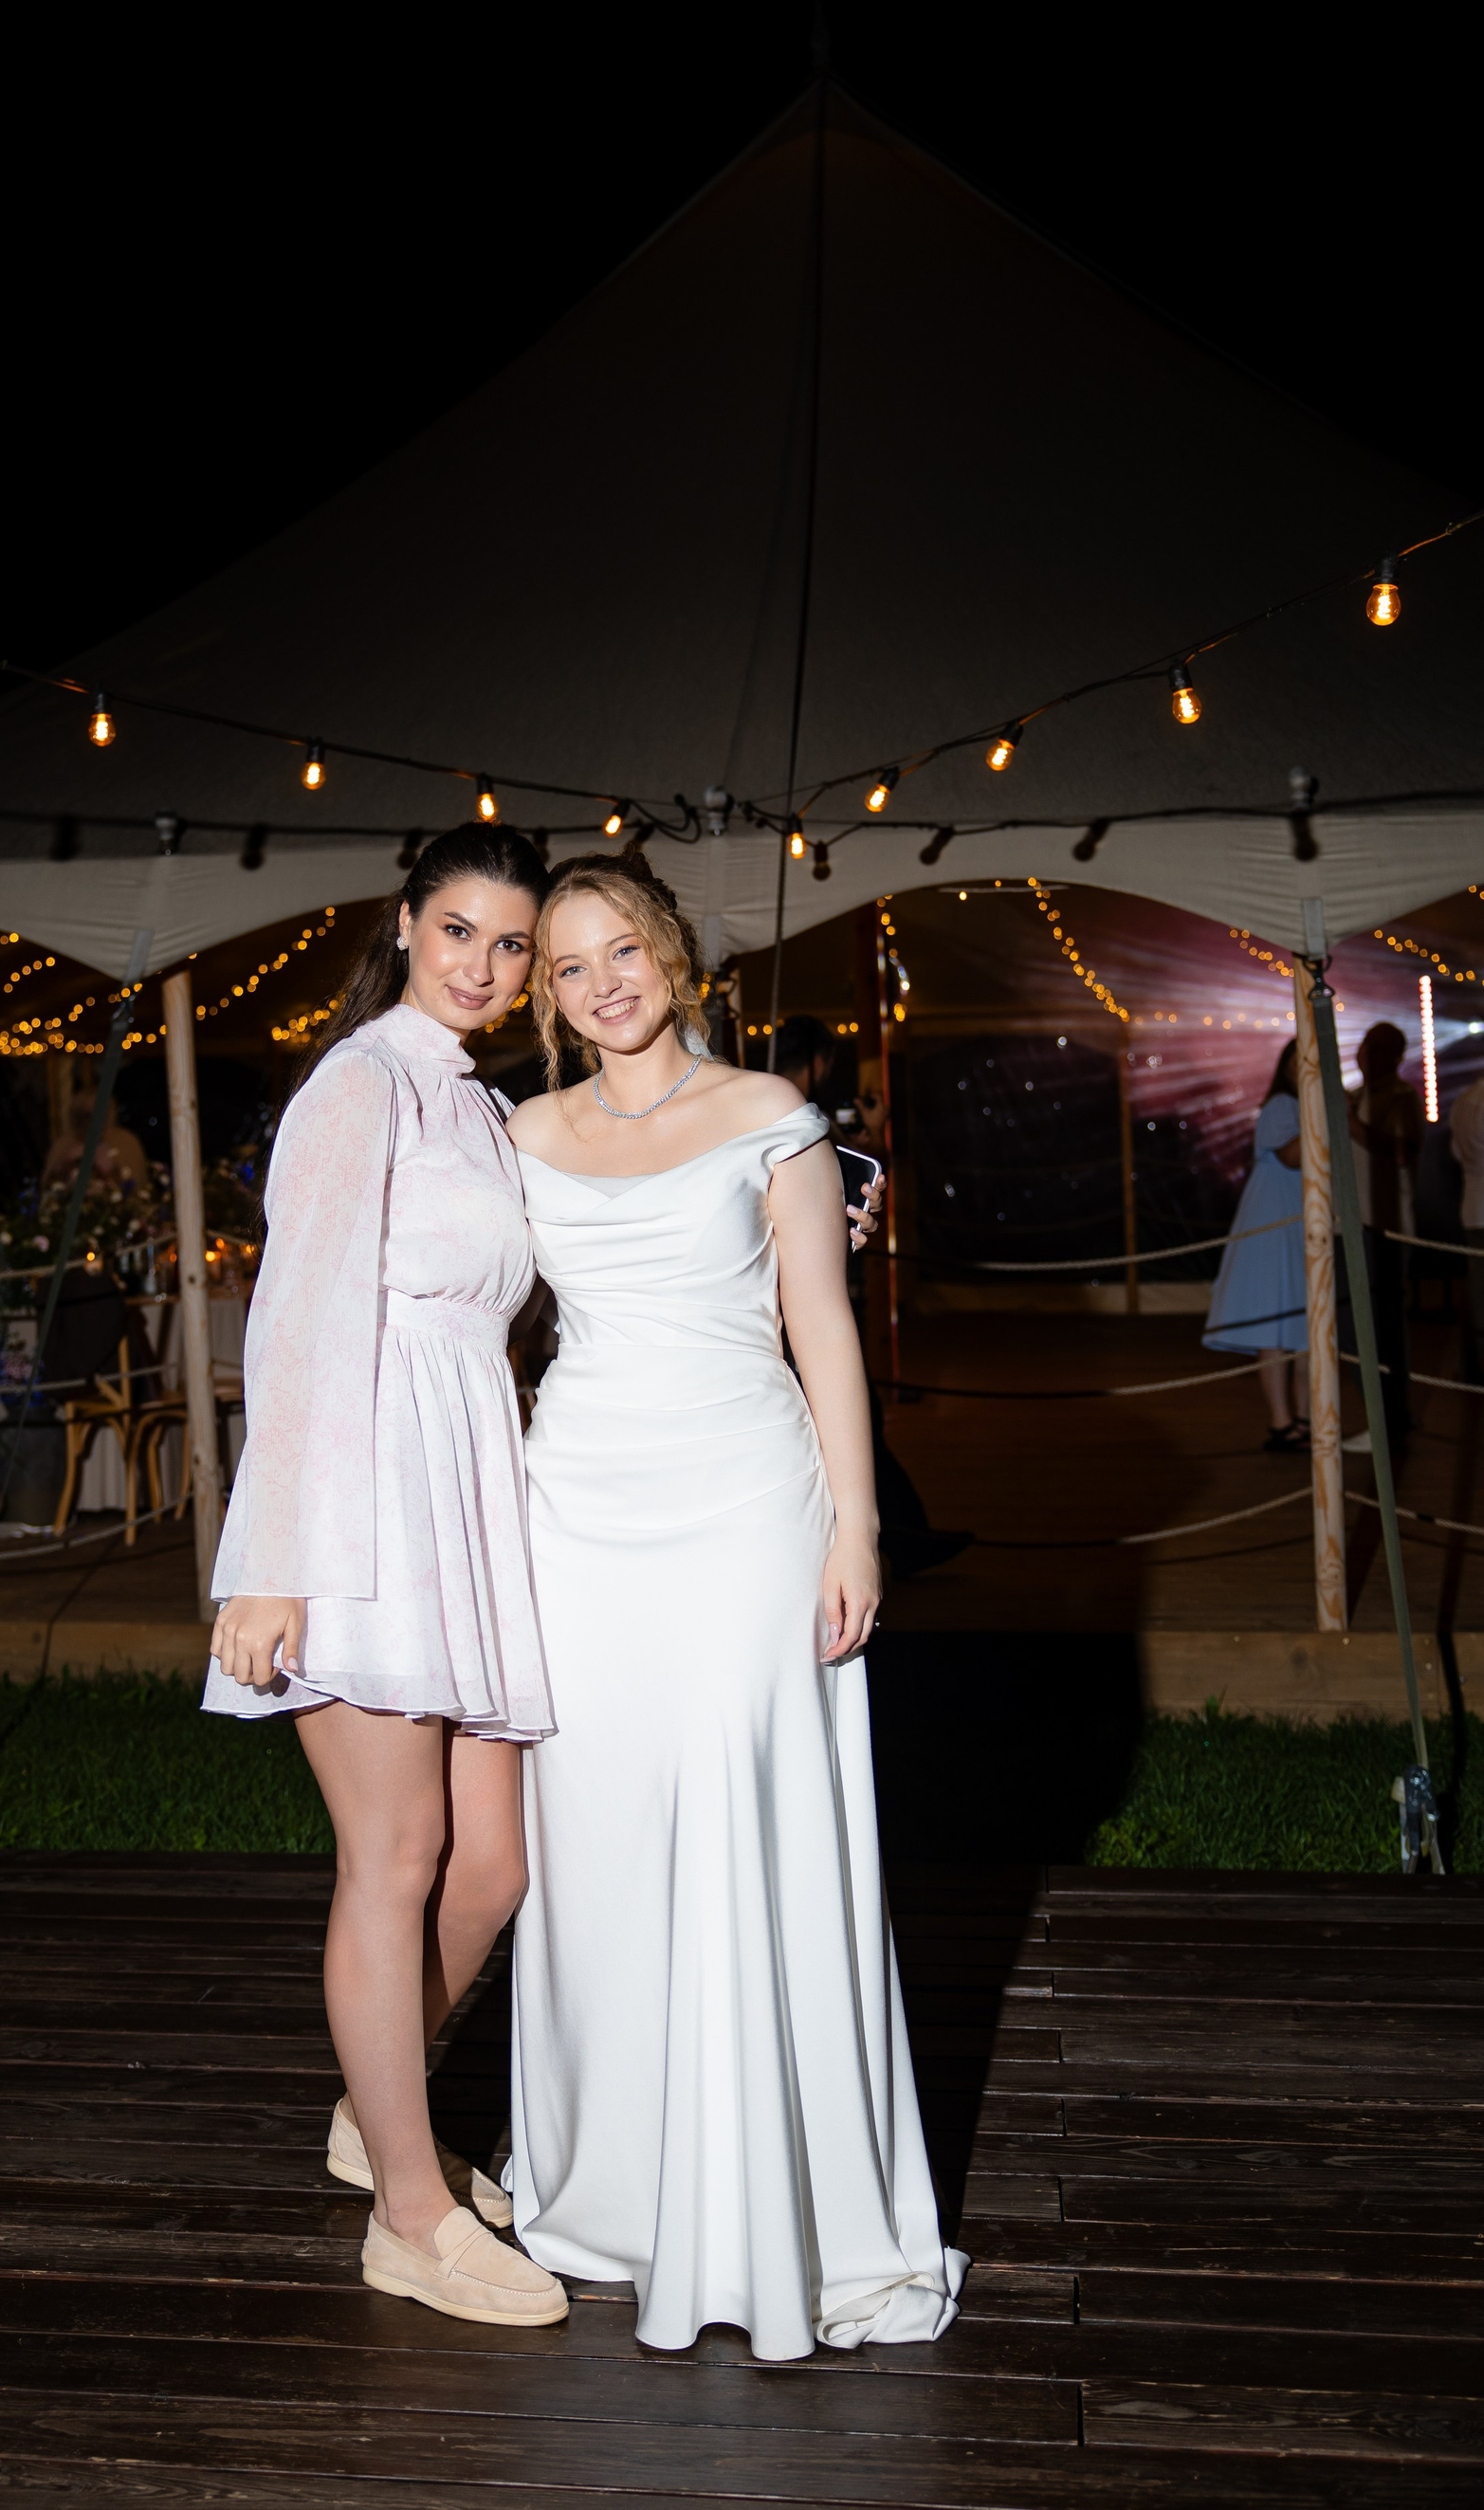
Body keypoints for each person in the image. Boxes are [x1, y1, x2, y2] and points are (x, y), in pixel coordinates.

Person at [504, 855, 965, 2361]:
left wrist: (858, 1528)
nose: (602, 985)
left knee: (737, 1814)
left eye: (621, 951)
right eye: (570, 966)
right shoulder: (522, 1136)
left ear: (672, 954)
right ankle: (619, 2196)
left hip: (743, 1512)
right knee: (599, 1839)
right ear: (547, 994)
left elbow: (822, 1326)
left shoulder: (772, 1115)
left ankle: (777, 2209)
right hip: (577, 1520)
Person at [201, 824, 570, 2330]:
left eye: (511, 944)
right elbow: (295, 1318)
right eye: (460, 929)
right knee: (398, 1856)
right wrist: (274, 1563)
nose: (483, 963)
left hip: (463, 1490)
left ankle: (381, 2109)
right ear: (407, 923)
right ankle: (410, 2218)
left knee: (493, 1867)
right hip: (360, 1498)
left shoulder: (480, 1102)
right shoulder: (359, 1082)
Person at [774, 1017, 972, 1579]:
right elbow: (861, 1177)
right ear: (820, 1061)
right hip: (794, 1311)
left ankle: (896, 1540)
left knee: (853, 1419)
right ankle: (899, 1542)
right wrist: (876, 1137)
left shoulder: (758, 1109)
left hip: (791, 1304)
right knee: (851, 1416)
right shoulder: (794, 1119)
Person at [1202, 1042, 1308, 1448]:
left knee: (1303, 1326)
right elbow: (1291, 1156)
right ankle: (1282, 1423)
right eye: (1299, 1061)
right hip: (1273, 1221)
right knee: (1274, 1322)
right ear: (1286, 1067)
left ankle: (1306, 1420)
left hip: (1299, 1219)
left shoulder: (1304, 1105)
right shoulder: (1282, 1105)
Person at [1347, 1021, 1422, 1443]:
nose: (1365, 1054)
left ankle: (1391, 1419)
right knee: (1356, 1327)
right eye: (1364, 1045)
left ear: (1395, 1056)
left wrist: (1353, 1125)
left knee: (1385, 1327)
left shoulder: (1402, 1097)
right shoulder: (1356, 1097)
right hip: (1351, 1222)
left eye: (1376, 1047)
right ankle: (1384, 1416)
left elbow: (1403, 1152)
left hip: (1385, 1227)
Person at [1451, 1072, 1484, 1366]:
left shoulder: (1463, 1101)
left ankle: (1474, 1365)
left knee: (1477, 1293)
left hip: (1472, 1208)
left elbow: (1456, 1154)